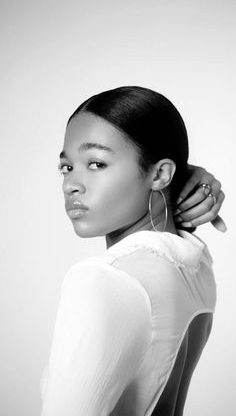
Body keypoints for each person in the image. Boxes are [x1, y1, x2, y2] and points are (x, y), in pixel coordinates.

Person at [40, 86, 225, 416]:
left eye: (96, 163)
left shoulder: (104, 278)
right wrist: (182, 178)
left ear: (160, 173)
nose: (71, 185)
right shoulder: (195, 265)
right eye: (67, 167)